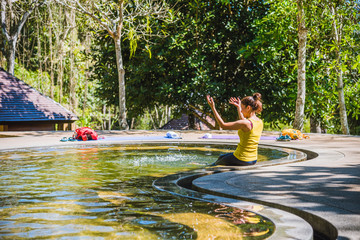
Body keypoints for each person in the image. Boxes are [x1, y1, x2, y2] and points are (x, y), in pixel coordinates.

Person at [206, 93, 263, 166]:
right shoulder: (259, 121)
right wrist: (239, 108)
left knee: (216, 164)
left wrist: (213, 107)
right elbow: (244, 121)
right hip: (253, 159)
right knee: (221, 157)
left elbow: (223, 125)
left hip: (242, 158)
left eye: (242, 108)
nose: (241, 111)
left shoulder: (246, 123)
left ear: (248, 108)